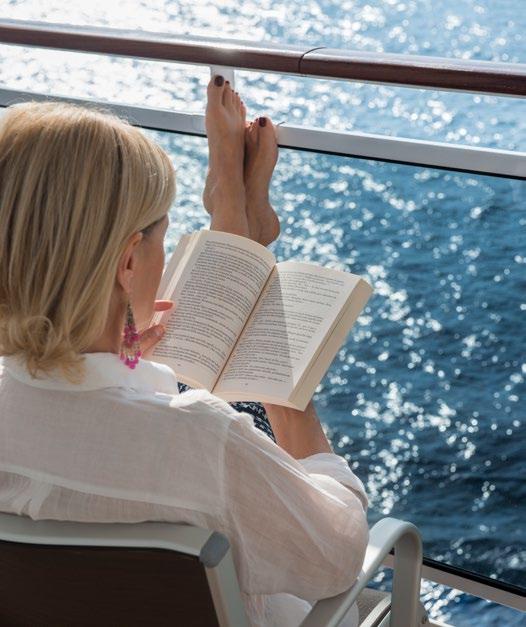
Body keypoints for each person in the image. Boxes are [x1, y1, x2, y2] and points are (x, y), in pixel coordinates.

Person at [0, 75, 368, 627]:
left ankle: (235, 223)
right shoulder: (202, 442)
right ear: (128, 263)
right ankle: (236, 224)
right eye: (162, 236)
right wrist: (288, 395)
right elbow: (337, 557)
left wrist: (129, 365)